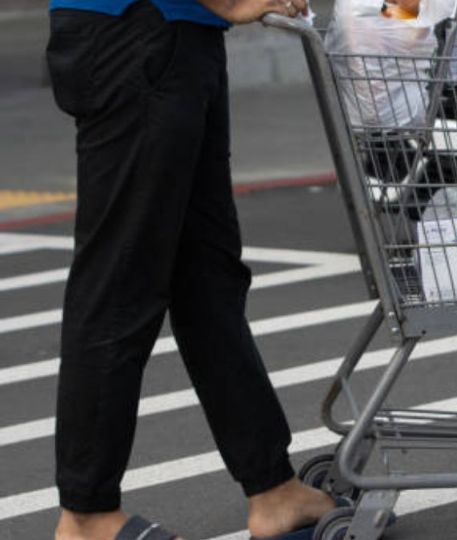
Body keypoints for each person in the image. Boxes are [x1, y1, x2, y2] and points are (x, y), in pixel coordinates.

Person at [46, 0, 339, 538]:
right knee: (119, 283)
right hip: (135, 35)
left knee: (208, 280)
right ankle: (86, 514)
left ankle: (272, 488)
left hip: (178, 36)